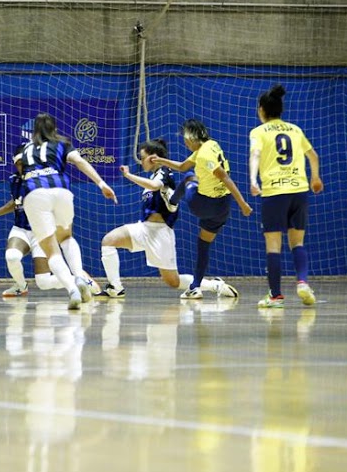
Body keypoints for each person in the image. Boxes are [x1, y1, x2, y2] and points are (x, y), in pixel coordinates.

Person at [97, 139, 237, 299]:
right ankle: (115, 287)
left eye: (142, 157)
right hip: (144, 228)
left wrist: (128, 175)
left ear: (152, 158)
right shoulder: (152, 176)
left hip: (160, 234)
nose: (141, 161)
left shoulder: (165, 172)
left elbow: (155, 186)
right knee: (108, 241)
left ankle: (214, 285)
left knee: (173, 282)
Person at [17, 113, 117, 309]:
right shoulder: (62, 143)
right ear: (54, 129)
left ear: (34, 131)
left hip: (34, 194)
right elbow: (80, 162)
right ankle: (79, 276)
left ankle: (72, 290)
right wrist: (101, 183)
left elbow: (21, 172)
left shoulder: (24, 149)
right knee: (66, 238)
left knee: (51, 250)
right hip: (61, 191)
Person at [148, 119, 252, 300]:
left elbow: (224, 177)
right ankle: (195, 287)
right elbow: (181, 165)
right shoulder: (211, 145)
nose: (185, 143)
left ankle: (171, 201)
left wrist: (243, 203)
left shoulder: (204, 155)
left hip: (204, 205)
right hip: (222, 208)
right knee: (203, 245)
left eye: (186, 140)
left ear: (193, 137)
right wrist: (161, 160)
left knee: (189, 177)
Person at [0, 145, 99, 297]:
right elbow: (16, 202)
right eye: (19, 163)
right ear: (15, 164)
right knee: (12, 256)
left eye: (25, 162)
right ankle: (21, 286)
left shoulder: (45, 180)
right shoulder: (14, 180)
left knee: (44, 282)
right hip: (21, 229)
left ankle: (80, 279)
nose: (23, 166)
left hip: (41, 232)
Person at [249, 84, 323, 308]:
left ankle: (275, 295)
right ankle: (302, 282)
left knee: (273, 245)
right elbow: (313, 155)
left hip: (274, 192)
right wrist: (315, 178)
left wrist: (253, 180)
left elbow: (255, 154)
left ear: (262, 110)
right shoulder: (295, 129)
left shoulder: (258, 132)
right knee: (297, 243)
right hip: (299, 191)